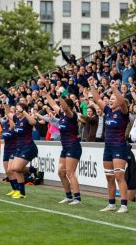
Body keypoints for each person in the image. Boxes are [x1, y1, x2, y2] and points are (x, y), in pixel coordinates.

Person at [37, 66, 82, 204]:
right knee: (61, 172)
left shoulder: (71, 115)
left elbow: (65, 108)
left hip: (73, 146)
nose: (59, 107)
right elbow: (53, 104)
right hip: (65, 147)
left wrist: (59, 96)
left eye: (62, 106)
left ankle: (77, 198)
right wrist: (46, 94)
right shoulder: (62, 115)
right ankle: (68, 196)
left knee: (69, 172)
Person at [88, 76, 129, 213]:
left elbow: (122, 101)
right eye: (110, 99)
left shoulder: (123, 113)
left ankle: (124, 205)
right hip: (108, 148)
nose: (110, 101)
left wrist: (114, 89)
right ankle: (111, 204)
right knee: (109, 177)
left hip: (119, 147)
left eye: (113, 99)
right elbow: (98, 99)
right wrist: (92, 85)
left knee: (119, 176)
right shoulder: (108, 111)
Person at [2, 95, 38, 199]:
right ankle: (31, 172)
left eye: (18, 110)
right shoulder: (16, 119)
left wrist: (24, 111)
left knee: (16, 168)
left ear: (23, 110)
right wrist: (4, 102)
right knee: (13, 169)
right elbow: (9, 113)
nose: (16, 111)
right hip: (19, 147)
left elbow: (33, 122)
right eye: (16, 109)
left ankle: (22, 192)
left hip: (29, 147)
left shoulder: (27, 119)